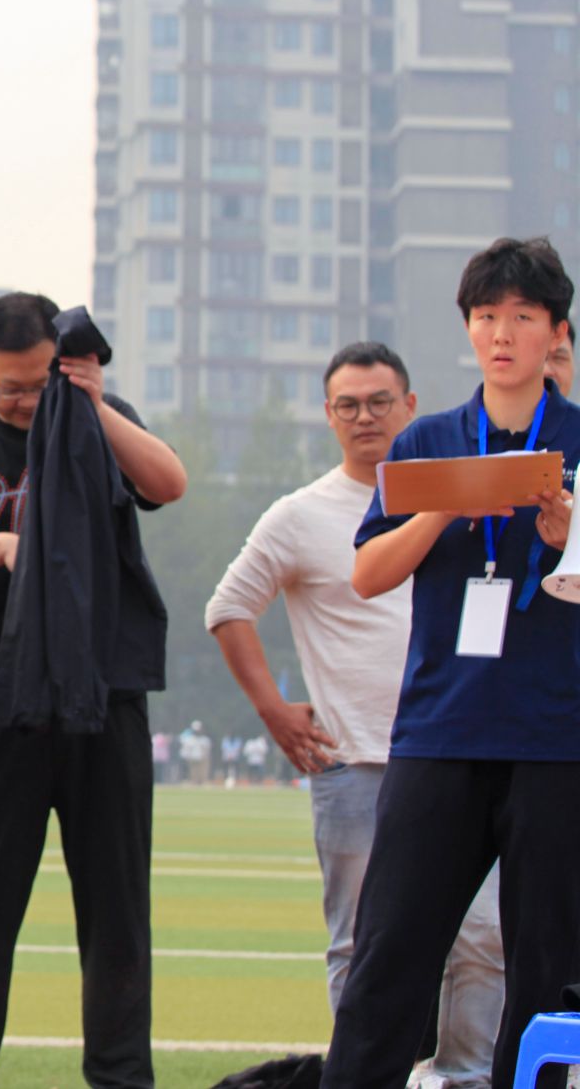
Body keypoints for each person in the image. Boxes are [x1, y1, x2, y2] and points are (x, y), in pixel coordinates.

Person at [207, 341, 503, 1088]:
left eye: (379, 402)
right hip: (354, 762)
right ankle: (367, 1078)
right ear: (329, 414)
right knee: (362, 942)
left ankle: (465, 1076)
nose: (365, 416)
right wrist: (274, 710)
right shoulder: (300, 516)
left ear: (411, 406)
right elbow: (228, 607)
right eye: (348, 404)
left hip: (457, 751)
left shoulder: (462, 498)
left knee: (481, 936)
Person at [0, 291, 187, 1089]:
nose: (27, 401)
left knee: (117, 909)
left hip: (104, 696)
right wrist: (1, 544)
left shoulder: (98, 417)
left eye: (41, 383)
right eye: (11, 387)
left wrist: (92, 403)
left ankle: (121, 1077)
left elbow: (169, 482)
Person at [325, 238, 580, 1089]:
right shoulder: (428, 441)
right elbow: (368, 573)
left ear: (556, 332)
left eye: (523, 316)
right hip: (440, 729)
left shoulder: (579, 442)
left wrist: (564, 538)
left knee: (549, 968)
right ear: (468, 327)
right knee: (390, 952)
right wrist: (443, 504)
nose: (502, 333)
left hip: (558, 737)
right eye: (486, 316)